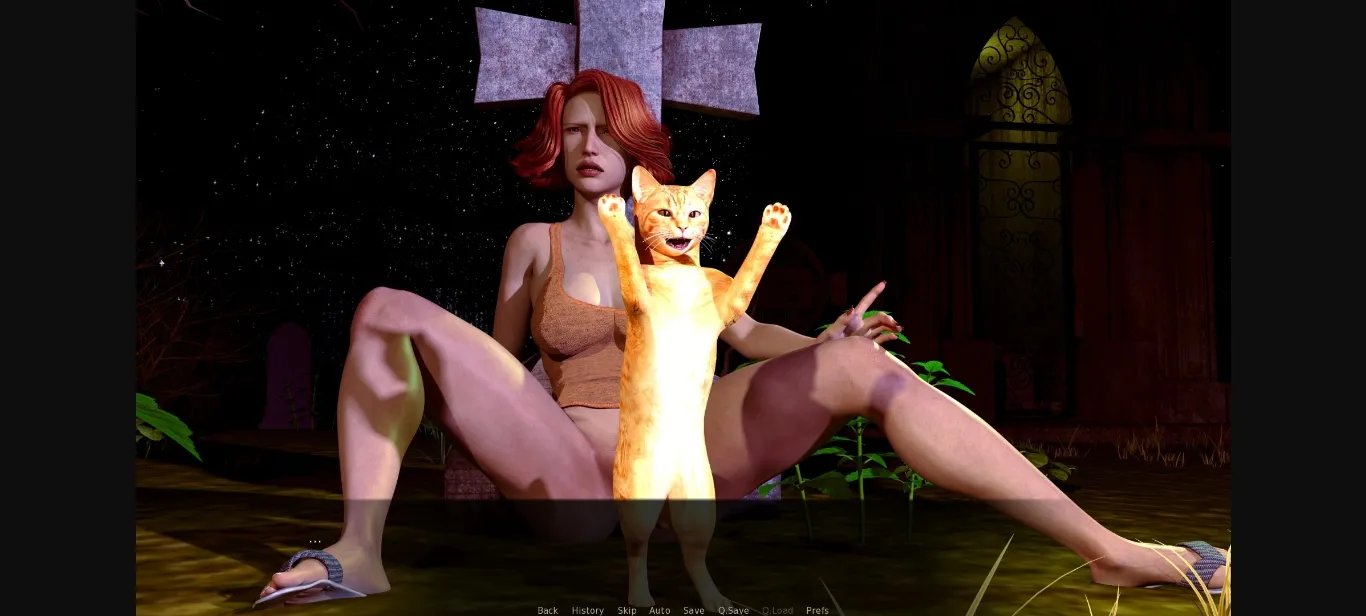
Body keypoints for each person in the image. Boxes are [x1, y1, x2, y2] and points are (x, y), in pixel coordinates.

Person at [261, 69, 1226, 604]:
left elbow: (750, 328)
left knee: (859, 362)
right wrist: (461, 401)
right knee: (386, 305)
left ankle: (1110, 548)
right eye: (576, 129)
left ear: (636, 145)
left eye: (607, 129)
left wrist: (827, 343)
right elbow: (505, 362)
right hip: (570, 466)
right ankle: (361, 551)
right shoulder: (531, 244)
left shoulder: (679, 244)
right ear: (558, 144)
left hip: (689, 450)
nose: (591, 145)